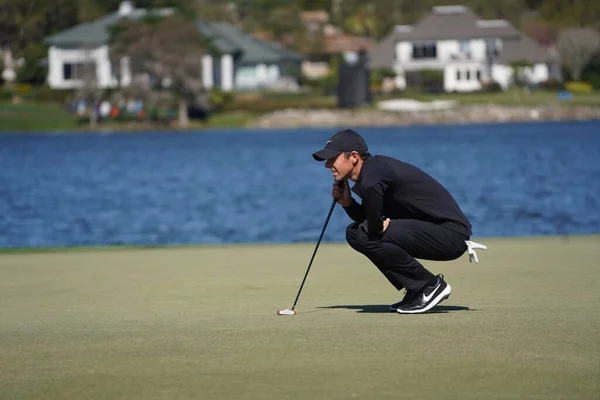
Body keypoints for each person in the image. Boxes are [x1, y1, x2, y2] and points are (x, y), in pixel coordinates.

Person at [312, 129, 475, 314]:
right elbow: (371, 224)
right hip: (438, 232)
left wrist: (376, 225)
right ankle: (417, 289)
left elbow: (373, 229)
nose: (328, 165)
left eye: (333, 159)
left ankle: (429, 286)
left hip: (450, 235)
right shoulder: (372, 172)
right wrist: (348, 204)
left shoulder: (372, 180)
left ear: (354, 157)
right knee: (355, 232)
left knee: (359, 233)